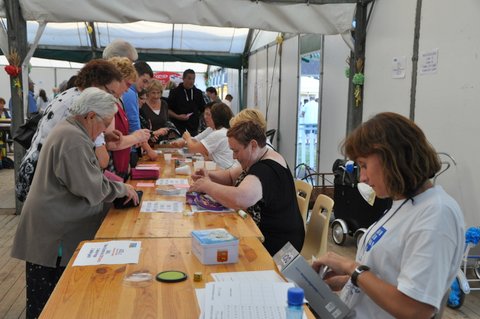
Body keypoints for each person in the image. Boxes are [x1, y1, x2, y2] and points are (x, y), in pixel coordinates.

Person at [312, 112, 465, 319]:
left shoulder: (436, 215)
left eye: (364, 165)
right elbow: (387, 277)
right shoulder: (403, 203)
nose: (363, 177)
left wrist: (352, 268)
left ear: (392, 158)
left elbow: (416, 309)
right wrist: (342, 281)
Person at [11, 88, 139, 319]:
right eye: (105, 123)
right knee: (51, 304)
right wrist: (122, 189)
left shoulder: (73, 130)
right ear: (90, 116)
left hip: (53, 227)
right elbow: (90, 187)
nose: (106, 130)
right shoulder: (73, 139)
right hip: (54, 236)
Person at [15, 59, 139, 202]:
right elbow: (102, 161)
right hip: (47, 183)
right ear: (95, 84)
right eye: (111, 93)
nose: (111, 100)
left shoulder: (69, 94)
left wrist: (103, 135)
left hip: (33, 170)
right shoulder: (89, 107)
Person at [189, 108, 304, 255]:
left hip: (277, 245)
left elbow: (240, 198)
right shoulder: (259, 156)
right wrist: (208, 176)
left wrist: (208, 186)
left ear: (253, 145)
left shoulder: (266, 169)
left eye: (236, 151)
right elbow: (231, 176)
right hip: (261, 232)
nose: (234, 156)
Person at [182, 102, 235, 169]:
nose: (205, 117)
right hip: (221, 169)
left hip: (223, 171)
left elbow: (193, 149)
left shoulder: (218, 133)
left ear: (217, 117)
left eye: (209, 115)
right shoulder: (222, 131)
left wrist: (187, 138)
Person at [168, 69, 206, 135]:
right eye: (189, 78)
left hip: (194, 129)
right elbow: (167, 110)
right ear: (183, 78)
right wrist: (177, 116)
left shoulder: (198, 93)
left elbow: (203, 109)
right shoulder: (174, 92)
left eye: (193, 79)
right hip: (178, 128)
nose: (191, 81)